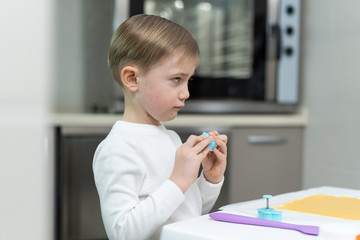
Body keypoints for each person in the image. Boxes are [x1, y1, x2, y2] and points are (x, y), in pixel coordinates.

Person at [93, 14, 228, 240]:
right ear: (132, 79)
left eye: (188, 81)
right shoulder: (118, 148)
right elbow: (122, 233)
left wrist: (209, 180)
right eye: (176, 79)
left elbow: (188, 213)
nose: (186, 93)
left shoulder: (171, 137)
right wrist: (179, 181)